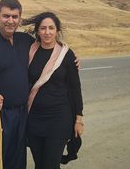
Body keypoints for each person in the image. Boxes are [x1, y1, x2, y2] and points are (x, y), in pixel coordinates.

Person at [0, 0, 80, 169]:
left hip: (21, 113)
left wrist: (69, 58)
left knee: (16, 159)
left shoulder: (26, 41)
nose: (10, 21)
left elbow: (49, 46)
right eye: (6, 16)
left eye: (15, 17)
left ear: (20, 19)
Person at [22, 12, 84, 169]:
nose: (47, 32)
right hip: (34, 118)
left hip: (59, 118)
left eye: (51, 28)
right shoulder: (30, 51)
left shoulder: (67, 55)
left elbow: (75, 88)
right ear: (37, 31)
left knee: (50, 165)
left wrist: (78, 118)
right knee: (39, 165)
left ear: (57, 31)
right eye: (43, 28)